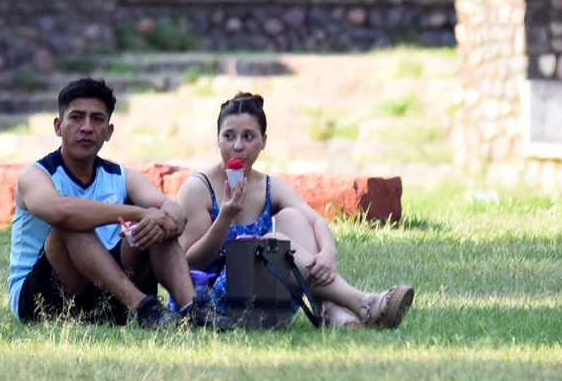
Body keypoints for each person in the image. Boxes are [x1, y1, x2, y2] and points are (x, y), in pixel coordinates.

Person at [8, 78, 235, 330]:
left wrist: (163, 219)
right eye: (76, 117)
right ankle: (146, 309)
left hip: (108, 295)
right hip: (42, 300)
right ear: (58, 127)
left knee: (156, 223)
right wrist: (138, 212)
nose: (86, 127)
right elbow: (59, 212)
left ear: (109, 131)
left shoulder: (123, 176)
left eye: (97, 119)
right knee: (70, 224)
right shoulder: (35, 175)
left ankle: (192, 308)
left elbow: (175, 213)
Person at [173, 93, 415, 329]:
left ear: (264, 142)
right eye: (228, 136)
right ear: (217, 140)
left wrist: (328, 252)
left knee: (294, 217)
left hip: (264, 299)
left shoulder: (269, 186)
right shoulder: (198, 188)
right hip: (210, 307)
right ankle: (364, 303)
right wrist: (224, 217)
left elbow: (315, 220)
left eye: (248, 137)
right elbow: (186, 264)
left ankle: (330, 309)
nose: (237, 146)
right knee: (269, 244)